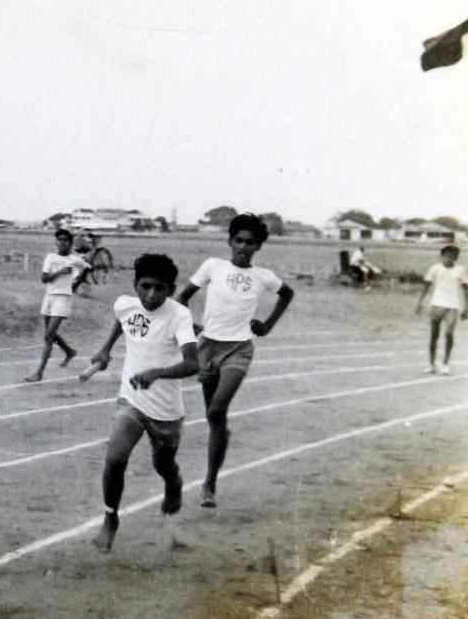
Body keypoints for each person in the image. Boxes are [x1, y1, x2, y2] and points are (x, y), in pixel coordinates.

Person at [80, 254, 198, 552]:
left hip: (166, 411)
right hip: (131, 399)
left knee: (164, 465)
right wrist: (105, 350)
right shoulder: (125, 304)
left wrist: (157, 373)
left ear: (171, 289)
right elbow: (122, 323)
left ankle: (173, 483)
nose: (151, 295)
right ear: (135, 284)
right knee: (115, 459)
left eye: (160, 288)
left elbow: (192, 363)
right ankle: (110, 519)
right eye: (145, 287)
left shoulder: (179, 316)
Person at [176, 213, 294, 508]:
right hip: (208, 348)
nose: (243, 247)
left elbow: (287, 294)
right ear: (229, 241)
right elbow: (181, 299)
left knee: (218, 408)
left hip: (238, 349)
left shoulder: (263, 276)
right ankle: (219, 441)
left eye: (249, 242)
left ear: (258, 246)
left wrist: (267, 325)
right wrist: (192, 328)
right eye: (238, 241)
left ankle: (209, 483)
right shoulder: (212, 266)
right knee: (214, 418)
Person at [25, 229, 91, 382]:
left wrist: (76, 283)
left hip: (63, 297)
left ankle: (39, 373)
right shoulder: (51, 257)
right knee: (50, 333)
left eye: (65, 240)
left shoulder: (75, 259)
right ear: (56, 242)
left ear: (70, 243)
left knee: (48, 335)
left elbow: (87, 267)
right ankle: (69, 351)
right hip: (49, 297)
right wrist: (60, 272)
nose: (62, 242)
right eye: (59, 239)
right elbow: (44, 278)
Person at [416, 245, 468, 375]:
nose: (450, 259)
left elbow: (466, 290)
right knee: (434, 335)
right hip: (436, 305)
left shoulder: (460, 270)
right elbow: (426, 286)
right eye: (448, 256)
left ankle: (445, 363)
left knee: (449, 333)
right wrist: (420, 303)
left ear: (456, 258)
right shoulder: (435, 269)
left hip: (452, 306)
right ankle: (431, 364)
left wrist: (466, 307)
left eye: (454, 256)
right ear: (442, 256)